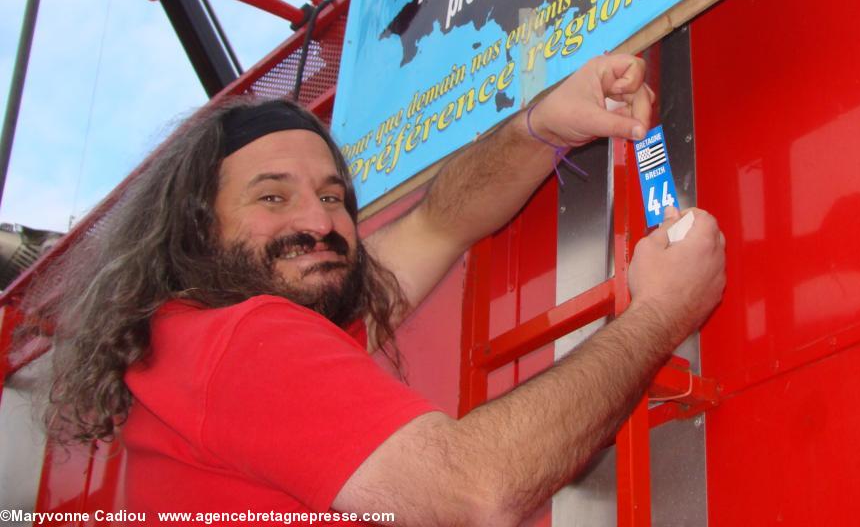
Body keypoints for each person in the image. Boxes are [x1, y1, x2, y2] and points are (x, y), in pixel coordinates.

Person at [28, 53, 726, 523]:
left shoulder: (192, 342)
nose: (318, 222)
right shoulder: (243, 340)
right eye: (272, 198)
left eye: (333, 197)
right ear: (194, 225)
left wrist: (540, 124)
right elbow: (471, 493)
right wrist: (660, 313)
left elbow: (438, 222)